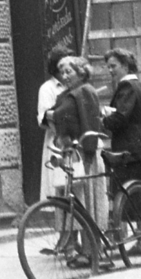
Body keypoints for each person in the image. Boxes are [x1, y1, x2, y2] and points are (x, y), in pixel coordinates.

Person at [101, 48, 141, 251]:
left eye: (113, 66)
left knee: (123, 192)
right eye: (108, 67)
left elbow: (121, 117)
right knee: (139, 192)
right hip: (140, 149)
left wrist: (104, 120)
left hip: (126, 150)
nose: (110, 70)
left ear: (125, 66)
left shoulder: (127, 87)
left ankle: (128, 239)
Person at [50, 55, 109, 232]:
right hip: (69, 152)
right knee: (70, 197)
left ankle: (90, 249)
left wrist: (89, 153)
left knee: (86, 199)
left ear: (81, 72)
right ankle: (73, 244)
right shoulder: (64, 95)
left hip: (84, 153)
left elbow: (91, 122)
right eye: (62, 73)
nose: (65, 76)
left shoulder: (85, 91)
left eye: (69, 72)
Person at [35, 48, 67, 201]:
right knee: (58, 187)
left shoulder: (72, 85)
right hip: (56, 141)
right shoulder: (47, 88)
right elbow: (43, 119)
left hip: (72, 141)